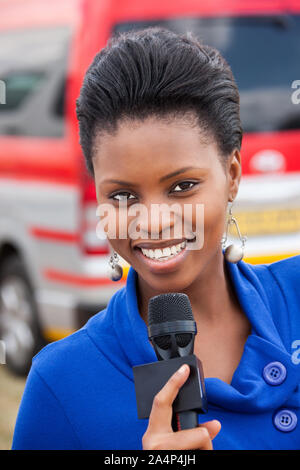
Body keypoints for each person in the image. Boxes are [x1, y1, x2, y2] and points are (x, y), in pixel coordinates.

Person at [12, 27, 300, 450]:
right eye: (123, 195)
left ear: (232, 175)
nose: (153, 221)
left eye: (182, 186)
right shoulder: (63, 383)